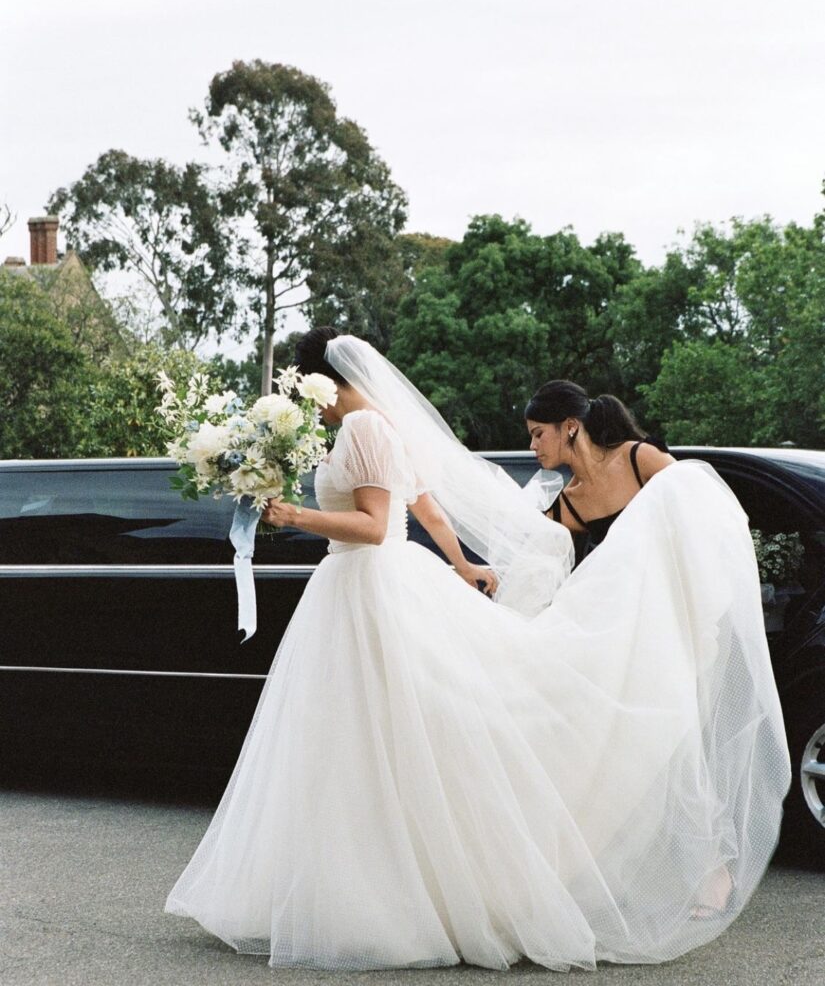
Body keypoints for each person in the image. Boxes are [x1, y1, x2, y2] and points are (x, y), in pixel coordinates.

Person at [165, 329, 790, 972]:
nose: (308, 404)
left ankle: (387, 888)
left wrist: (293, 516)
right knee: (363, 737)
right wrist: (464, 566)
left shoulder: (363, 431)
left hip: (376, 587)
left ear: (324, 381)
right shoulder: (372, 436)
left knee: (380, 734)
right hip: (358, 589)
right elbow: (428, 508)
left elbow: (380, 524)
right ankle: (367, 882)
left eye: (305, 387)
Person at [525, 380, 674, 549]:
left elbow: (698, 502)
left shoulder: (638, 458)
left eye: (538, 434)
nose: (532, 446)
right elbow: (533, 559)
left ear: (571, 426)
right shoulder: (564, 508)